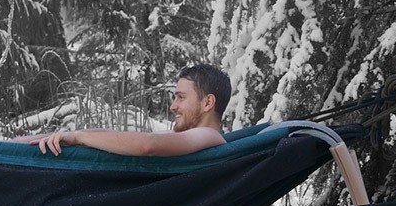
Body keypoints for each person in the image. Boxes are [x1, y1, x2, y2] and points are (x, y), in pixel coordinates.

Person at [12, 64, 231, 156]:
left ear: (207, 103)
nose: (173, 106)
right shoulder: (192, 138)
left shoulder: (209, 136)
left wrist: (78, 137)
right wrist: (62, 136)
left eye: (181, 98)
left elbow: (148, 145)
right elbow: (117, 134)